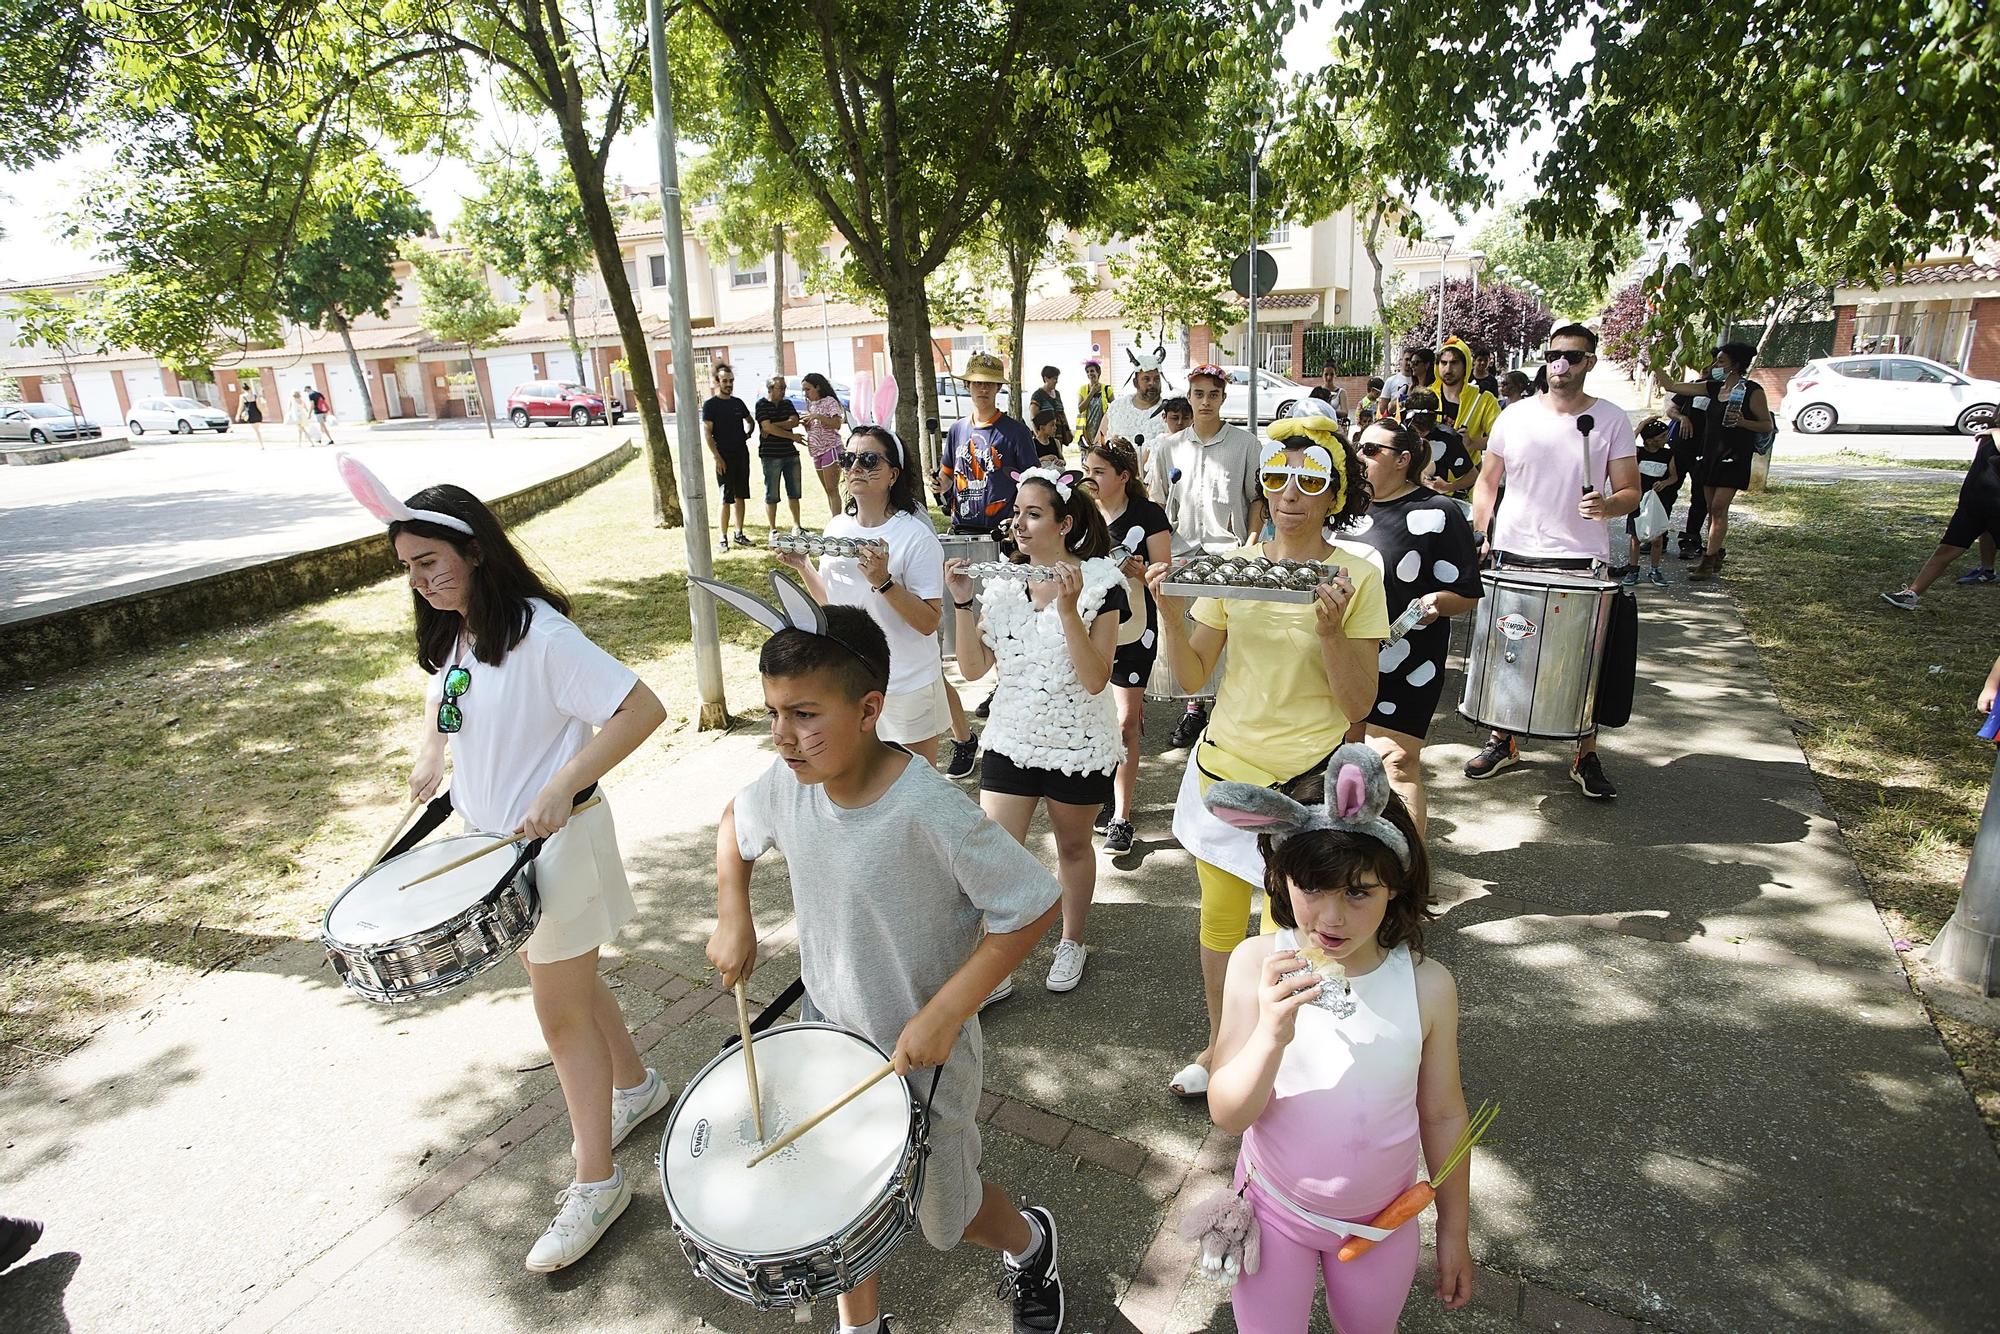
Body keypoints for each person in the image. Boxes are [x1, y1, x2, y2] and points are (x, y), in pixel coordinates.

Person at [337, 454, 671, 1272]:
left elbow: (643, 707)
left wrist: (564, 782)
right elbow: (449, 702)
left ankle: (597, 1182)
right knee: (572, 985)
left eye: (428, 563)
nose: (418, 581)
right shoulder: (461, 631)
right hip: (494, 854)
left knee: (558, 1017)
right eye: (407, 569)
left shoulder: (543, 636)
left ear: (474, 549)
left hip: (556, 850)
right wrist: (430, 754)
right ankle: (636, 1088)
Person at [705, 587, 1067, 1334]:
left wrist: (946, 1011)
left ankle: (1031, 1243)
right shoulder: (788, 784)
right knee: (842, 1199)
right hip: (829, 1041)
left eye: (806, 715)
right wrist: (733, 914)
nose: (784, 735)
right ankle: (859, 1326)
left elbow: (1033, 905)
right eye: (774, 713)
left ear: (870, 710)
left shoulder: (930, 811)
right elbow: (734, 820)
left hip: (922, 1064)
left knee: (947, 1215)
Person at [1146, 416, 1387, 1097]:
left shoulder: (1357, 576)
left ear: (1334, 493)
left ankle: (1282, 1054)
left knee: (1291, 931)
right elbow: (1194, 677)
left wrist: (1334, 632)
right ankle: (1224, 1045)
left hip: (1305, 787)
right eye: (1276, 476)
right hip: (1226, 773)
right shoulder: (1237, 567)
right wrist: (1166, 609)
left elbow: (1357, 705)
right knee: (1221, 926)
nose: (1288, 494)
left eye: (1309, 481)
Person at [1203, 744, 1472, 1332]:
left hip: (1383, 1221)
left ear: (1396, 885)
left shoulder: (1426, 987)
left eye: (1358, 892)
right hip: (1273, 1211)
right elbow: (1227, 1113)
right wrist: (1271, 1034)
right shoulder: (1256, 964)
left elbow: (1445, 1114)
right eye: (1311, 888)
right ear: (1279, 878)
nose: (1330, 919)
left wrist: (1454, 1230)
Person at [947, 467, 1127, 994]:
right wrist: (961, 601)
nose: (1019, 525)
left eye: (1033, 514)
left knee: (1072, 848)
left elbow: (1096, 680)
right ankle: (995, 962)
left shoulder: (1101, 585)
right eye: (1016, 513)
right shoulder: (1002, 584)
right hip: (1011, 738)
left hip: (1078, 745)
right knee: (997, 853)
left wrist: (1069, 610)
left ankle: (1071, 940)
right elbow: (975, 668)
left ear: (1065, 523)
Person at [1466, 324, 1640, 798]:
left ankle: (1585, 753)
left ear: (1590, 363)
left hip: (1580, 558)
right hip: (1514, 552)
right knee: (1511, 655)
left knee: (1584, 662)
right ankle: (1503, 739)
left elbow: (1631, 491)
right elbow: (1487, 482)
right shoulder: (1515, 416)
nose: (1561, 364)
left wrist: (1608, 505)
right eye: (1554, 354)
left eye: (1573, 356)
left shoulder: (1610, 419)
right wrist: (1481, 532)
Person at [777, 425, 952, 763]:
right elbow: (832, 603)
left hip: (905, 682)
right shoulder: (838, 527)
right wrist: (803, 567)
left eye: (869, 460)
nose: (855, 468)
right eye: (847, 459)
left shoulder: (915, 537)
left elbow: (929, 621)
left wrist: (884, 582)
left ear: (893, 475)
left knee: (913, 788)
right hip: (851, 683)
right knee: (860, 784)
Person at [1345, 419, 1482, 835]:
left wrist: (1439, 603)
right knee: (1345, 761)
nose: (1359, 455)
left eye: (1372, 450)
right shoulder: (1342, 510)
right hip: (1341, 654)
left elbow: (1467, 592)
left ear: (1404, 460)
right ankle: (1352, 863)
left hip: (1407, 660)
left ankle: (1410, 877)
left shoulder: (1439, 513)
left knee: (1397, 762)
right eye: (1357, 446)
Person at [1149, 364, 1268, 751]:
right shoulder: (1168, 447)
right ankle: (1194, 711)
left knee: (1230, 637)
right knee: (1189, 636)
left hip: (1228, 553)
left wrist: (1249, 546)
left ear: (1222, 397)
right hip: (1183, 554)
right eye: (1198, 394)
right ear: (1189, 396)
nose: (1205, 401)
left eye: (1212, 394)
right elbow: (1156, 504)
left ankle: (1229, 711)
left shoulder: (1246, 444)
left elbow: (1256, 500)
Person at [937, 351, 1043, 779]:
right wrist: (940, 483)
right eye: (976, 383)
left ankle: (1003, 683)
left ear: (999, 388)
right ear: (968, 386)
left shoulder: (1015, 432)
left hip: (1001, 534)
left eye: (990, 383)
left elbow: (1033, 485)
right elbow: (947, 474)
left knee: (1002, 614)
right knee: (967, 612)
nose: (982, 389)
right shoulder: (958, 430)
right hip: (964, 529)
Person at [1082, 437, 1174, 854]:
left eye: (1099, 471)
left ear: (1124, 476)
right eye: (1088, 468)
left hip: (1135, 628)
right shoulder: (1079, 512)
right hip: (1086, 627)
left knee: (1124, 721)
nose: (1090, 477)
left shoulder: (1148, 514)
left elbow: (1164, 576)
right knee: (1092, 715)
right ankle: (1100, 789)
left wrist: (1140, 572)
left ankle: (1122, 815)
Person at [1657, 342, 1772, 581]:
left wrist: (1742, 422)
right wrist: (1655, 363)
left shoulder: (1752, 391)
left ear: (1735, 365)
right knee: (1710, 509)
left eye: (1721, 361)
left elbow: (1766, 425)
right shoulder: (1712, 387)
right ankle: (1715, 553)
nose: (1715, 366)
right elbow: (1671, 386)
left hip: (1735, 457)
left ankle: (1708, 562)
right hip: (1710, 455)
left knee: (1719, 508)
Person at [1882, 425, 2000, 610]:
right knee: (1945, 550)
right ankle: (1911, 595)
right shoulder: (1991, 434)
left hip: (1996, 507)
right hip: (1972, 507)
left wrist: (1994, 432)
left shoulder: (1995, 435)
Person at [1428, 337, 1501, 492]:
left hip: (1466, 484)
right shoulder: (1426, 396)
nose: (1447, 369)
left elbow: (1501, 437)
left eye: (1454, 363)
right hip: (1428, 484)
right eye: (1443, 363)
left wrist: (1473, 443)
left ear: (1466, 365)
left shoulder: (1483, 399)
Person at [701, 364, 756, 551]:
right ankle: (722, 538)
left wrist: (747, 434)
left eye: (731, 381)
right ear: (717, 382)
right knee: (725, 497)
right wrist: (717, 457)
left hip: (741, 455)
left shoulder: (738, 403)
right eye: (725, 381)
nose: (729, 384)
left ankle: (738, 533)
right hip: (723, 457)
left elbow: (750, 421)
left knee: (741, 495)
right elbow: (707, 434)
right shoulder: (710, 405)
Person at [1626, 418, 1679, 588]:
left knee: (1657, 537)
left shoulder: (1668, 455)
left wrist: (1665, 483)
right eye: (1662, 436)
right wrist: (1641, 425)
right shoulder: (1639, 453)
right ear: (1650, 440)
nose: (1666, 438)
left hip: (1657, 500)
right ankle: (1633, 568)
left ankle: (1655, 569)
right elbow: (1626, 443)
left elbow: (1674, 476)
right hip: (1638, 498)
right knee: (1635, 536)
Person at [756, 374, 806, 535]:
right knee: (772, 493)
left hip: (790, 454)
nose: (783, 391)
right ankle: (773, 528)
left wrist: (772, 426)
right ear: (770, 388)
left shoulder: (787, 403)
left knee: (794, 492)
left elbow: (794, 421)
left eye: (785, 388)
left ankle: (797, 525)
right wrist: (792, 436)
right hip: (770, 455)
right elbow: (767, 427)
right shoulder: (761, 404)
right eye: (780, 388)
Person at [1663, 393, 1710, 560]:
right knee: (1667, 492)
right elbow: (1671, 410)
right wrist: (1682, 417)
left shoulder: (1728, 391)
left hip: (1707, 453)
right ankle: (1658, 535)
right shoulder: (1692, 388)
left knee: (1699, 498)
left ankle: (1691, 540)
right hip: (1680, 449)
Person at [1401, 389, 1473, 497]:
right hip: (1401, 499)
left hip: (1433, 502)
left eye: (1424, 426)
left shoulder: (1448, 438)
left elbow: (1473, 475)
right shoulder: (1399, 434)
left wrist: (1448, 487)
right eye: (1415, 426)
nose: (1420, 433)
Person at [801, 372, 849, 517]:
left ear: (818, 387)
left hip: (830, 448)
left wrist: (818, 417)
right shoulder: (811, 405)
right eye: (804, 390)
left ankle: (837, 522)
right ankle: (834, 519)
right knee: (827, 490)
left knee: (832, 489)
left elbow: (836, 424)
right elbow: (816, 427)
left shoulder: (830, 402)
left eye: (808, 389)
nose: (805, 393)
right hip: (816, 451)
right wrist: (807, 424)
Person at [1103, 347, 1168, 450]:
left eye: (1156, 379)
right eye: (1146, 379)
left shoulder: (1169, 410)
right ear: (1135, 382)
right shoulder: (1117, 407)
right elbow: (1099, 442)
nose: (1152, 383)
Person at [1029, 365, 1072, 454]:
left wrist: (1068, 431)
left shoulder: (1057, 394)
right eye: (1054, 378)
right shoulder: (1038, 395)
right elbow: (1033, 416)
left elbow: (1062, 412)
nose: (1056, 381)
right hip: (1045, 435)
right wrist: (1038, 436)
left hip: (1058, 432)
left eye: (1057, 378)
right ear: (1046, 378)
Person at [1076, 358, 1114, 447]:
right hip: (1086, 430)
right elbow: (1080, 409)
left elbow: (1115, 408)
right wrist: (1092, 392)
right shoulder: (1082, 389)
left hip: (1102, 429)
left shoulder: (1107, 389)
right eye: (1087, 372)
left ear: (1098, 372)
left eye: (1092, 371)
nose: (1090, 374)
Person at [238, 381, 266, 449]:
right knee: (257, 429)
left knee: (256, 430)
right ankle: (261, 444)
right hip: (257, 413)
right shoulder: (255, 395)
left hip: (250, 414)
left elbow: (241, 406)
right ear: (250, 388)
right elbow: (258, 405)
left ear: (243, 389)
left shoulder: (242, 396)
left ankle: (261, 445)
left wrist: (238, 415)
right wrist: (262, 412)